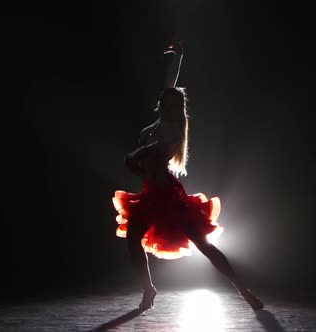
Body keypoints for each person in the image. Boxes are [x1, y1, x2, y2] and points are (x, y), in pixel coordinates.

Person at [112, 37, 263, 311]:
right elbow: (169, 86)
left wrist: (134, 155)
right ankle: (149, 289)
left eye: (174, 104)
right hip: (149, 195)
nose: (169, 105)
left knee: (204, 246)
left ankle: (244, 291)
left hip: (169, 197)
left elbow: (156, 149)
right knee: (133, 240)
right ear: (162, 103)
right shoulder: (160, 119)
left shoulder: (173, 127)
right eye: (166, 101)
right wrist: (178, 57)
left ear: (178, 109)